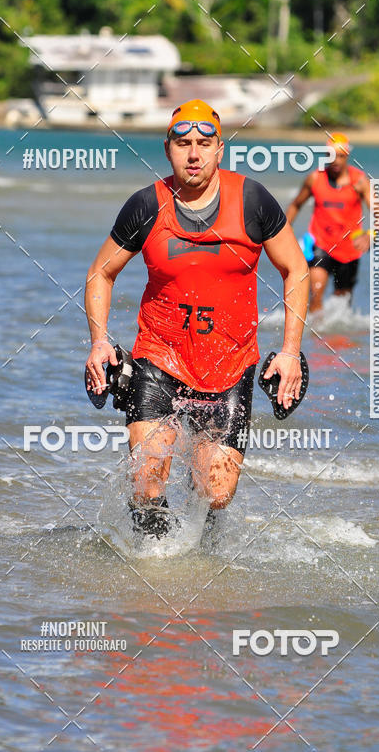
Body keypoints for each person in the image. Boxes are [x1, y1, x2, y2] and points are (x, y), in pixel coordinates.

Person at [85, 99, 309, 538]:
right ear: (167, 148)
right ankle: (154, 560)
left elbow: (296, 269)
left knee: (216, 492)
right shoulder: (146, 205)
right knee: (146, 482)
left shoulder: (252, 201)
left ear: (219, 149)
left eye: (204, 144)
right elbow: (100, 273)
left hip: (229, 365)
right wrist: (99, 341)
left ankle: (196, 526)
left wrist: (290, 351)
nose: (193, 154)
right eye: (183, 143)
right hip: (160, 358)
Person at [286, 132, 373, 313]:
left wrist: (371, 234)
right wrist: (285, 233)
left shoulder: (360, 181)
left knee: (342, 303)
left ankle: (337, 332)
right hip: (321, 244)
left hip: (349, 249)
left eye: (340, 156)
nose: (336, 161)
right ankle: (314, 330)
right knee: (316, 293)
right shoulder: (315, 178)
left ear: (347, 155)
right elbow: (295, 205)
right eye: (331, 155)